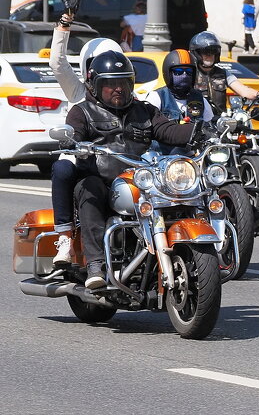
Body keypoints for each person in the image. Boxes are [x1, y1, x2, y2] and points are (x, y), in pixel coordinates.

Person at [65, 51, 203, 289]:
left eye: (123, 83)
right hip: (101, 179)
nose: (118, 89)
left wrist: (198, 132)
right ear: (95, 86)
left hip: (139, 178)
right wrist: (71, 140)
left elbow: (168, 130)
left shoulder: (145, 110)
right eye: (110, 84)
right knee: (89, 188)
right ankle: (96, 265)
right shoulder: (82, 112)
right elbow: (73, 133)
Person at [48, 14, 124, 267]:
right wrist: (64, 24)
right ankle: (65, 237)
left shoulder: (123, 90)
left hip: (120, 154)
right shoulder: (78, 91)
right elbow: (57, 63)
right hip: (83, 152)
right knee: (62, 168)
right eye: (95, 64)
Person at [145, 49, 214, 148]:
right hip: (163, 157)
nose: (184, 75)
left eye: (189, 72)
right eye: (178, 72)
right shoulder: (157, 97)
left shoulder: (199, 99)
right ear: (168, 73)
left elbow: (210, 127)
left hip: (194, 156)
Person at [188, 30, 259, 115]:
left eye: (213, 52)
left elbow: (243, 90)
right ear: (196, 54)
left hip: (219, 123)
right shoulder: (190, 74)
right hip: (196, 121)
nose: (209, 55)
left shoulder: (223, 73)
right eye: (205, 52)